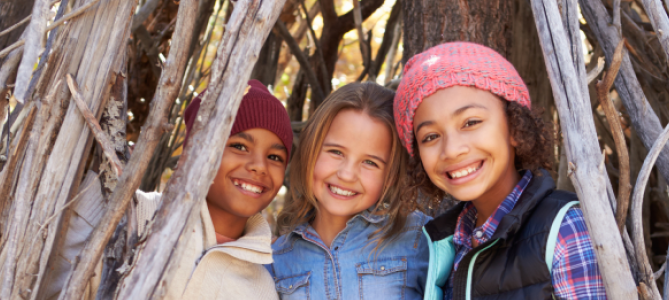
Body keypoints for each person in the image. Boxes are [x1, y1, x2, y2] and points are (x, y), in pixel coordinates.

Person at [394, 42, 607, 299]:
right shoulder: (447, 243)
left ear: (515, 127)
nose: (451, 150)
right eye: (430, 137)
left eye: (471, 122)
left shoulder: (565, 228)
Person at [270, 82, 430, 300]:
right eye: (336, 152)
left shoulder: (420, 239)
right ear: (311, 150)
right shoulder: (278, 259)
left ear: (391, 176)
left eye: (370, 163)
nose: (347, 174)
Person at [146, 79, 292, 300]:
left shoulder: (263, 288)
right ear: (198, 150)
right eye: (239, 146)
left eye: (274, 157)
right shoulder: (137, 217)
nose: (260, 166)